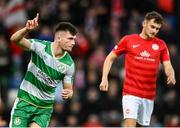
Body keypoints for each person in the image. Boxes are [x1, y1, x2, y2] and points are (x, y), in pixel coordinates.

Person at [99, 11, 176, 127]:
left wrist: (171, 75)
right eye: (152, 27)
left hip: (149, 96)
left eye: (157, 29)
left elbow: (168, 65)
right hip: (131, 93)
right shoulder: (128, 40)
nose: (154, 31)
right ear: (144, 23)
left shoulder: (161, 45)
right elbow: (109, 58)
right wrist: (104, 78)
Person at [9, 13, 77, 127]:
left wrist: (69, 93)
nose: (73, 43)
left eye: (74, 39)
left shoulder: (69, 65)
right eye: (70, 39)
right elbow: (14, 40)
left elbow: (69, 90)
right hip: (25, 102)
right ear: (59, 38)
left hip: (44, 109)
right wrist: (26, 29)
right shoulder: (40, 47)